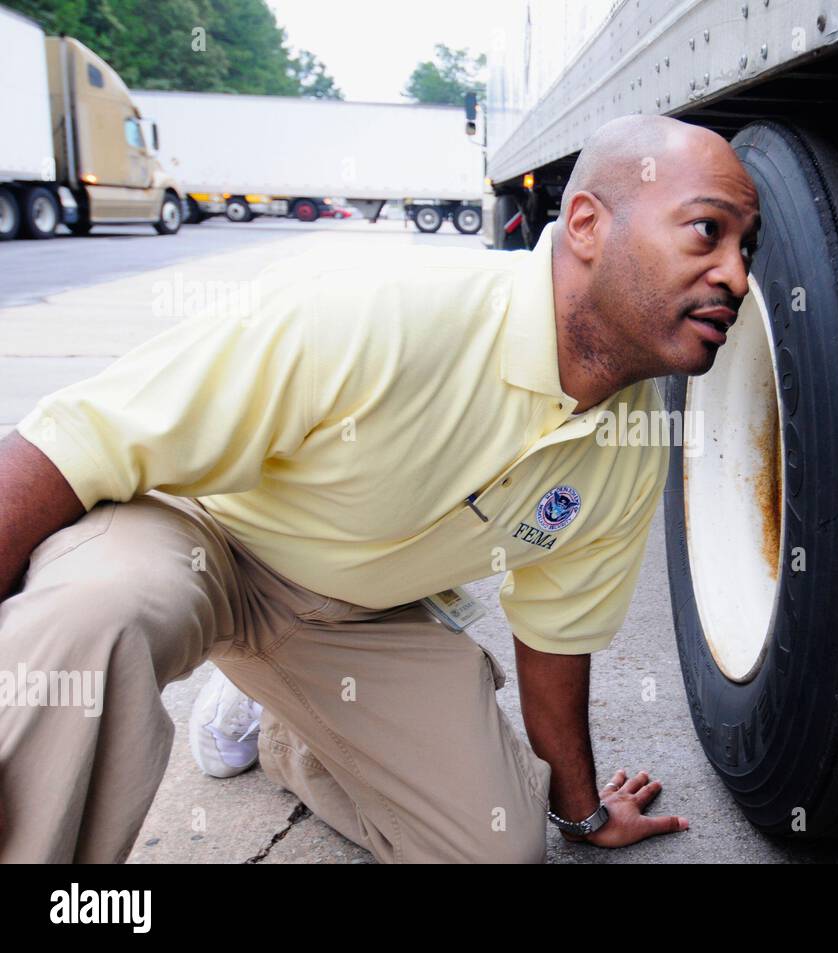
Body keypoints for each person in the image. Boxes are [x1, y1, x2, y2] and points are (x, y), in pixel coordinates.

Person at [0, 113, 761, 863]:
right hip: (201, 537)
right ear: (589, 226)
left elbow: (555, 637)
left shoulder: (628, 450)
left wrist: (580, 812)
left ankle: (287, 728)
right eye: (707, 231)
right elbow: (68, 443)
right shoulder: (386, 310)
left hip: (354, 620)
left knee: (496, 846)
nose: (737, 275)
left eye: (746, 247)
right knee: (91, 620)